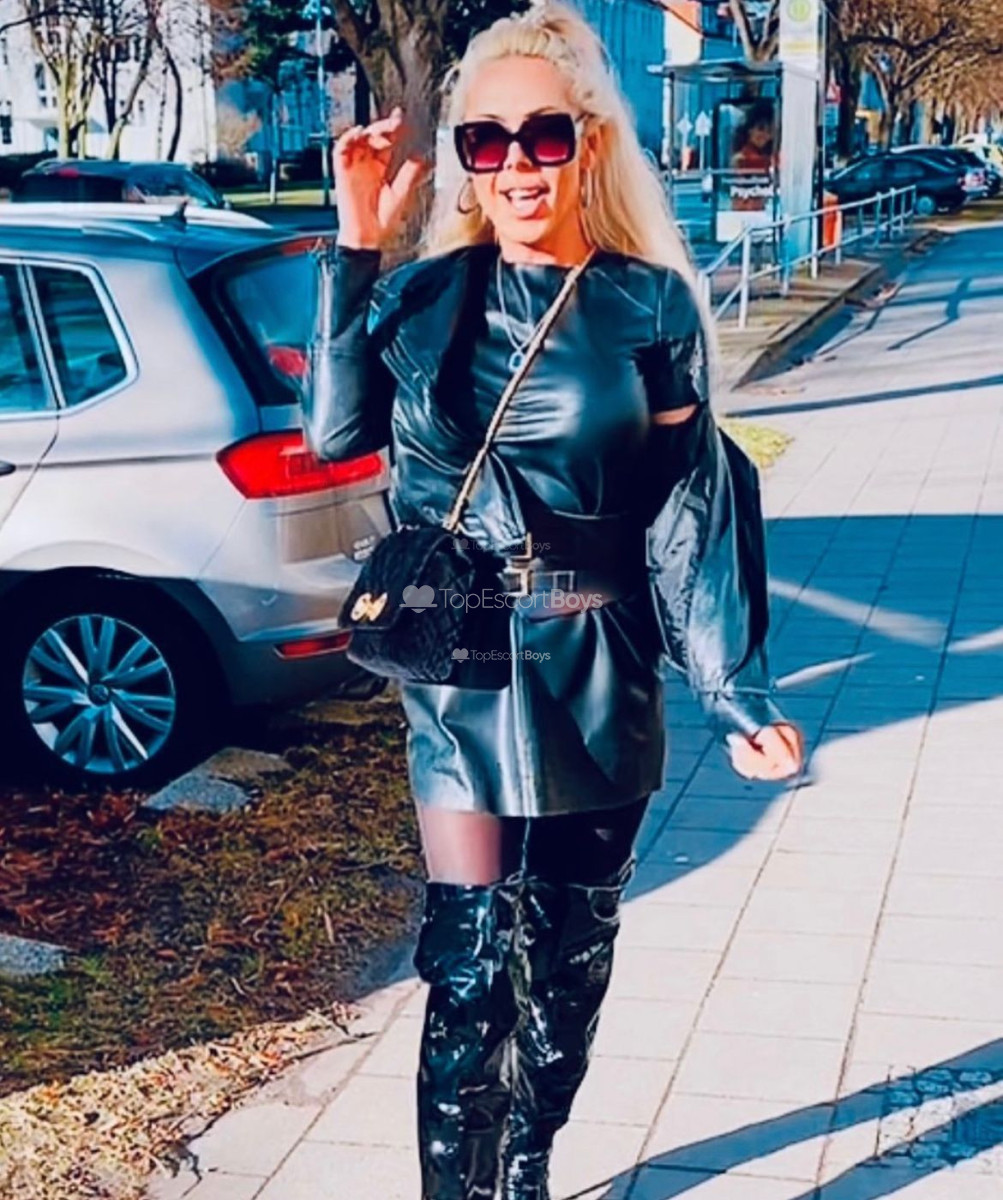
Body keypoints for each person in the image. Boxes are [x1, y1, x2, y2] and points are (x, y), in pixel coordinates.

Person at [302, 4, 803, 1198]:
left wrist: (736, 691)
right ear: (465, 158)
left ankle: (524, 1161)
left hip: (599, 659)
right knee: (470, 959)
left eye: (542, 135)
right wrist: (354, 244)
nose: (516, 165)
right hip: (463, 667)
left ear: (587, 141)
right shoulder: (425, 298)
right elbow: (333, 432)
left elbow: (688, 503)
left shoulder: (647, 304)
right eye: (486, 141)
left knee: (568, 960)